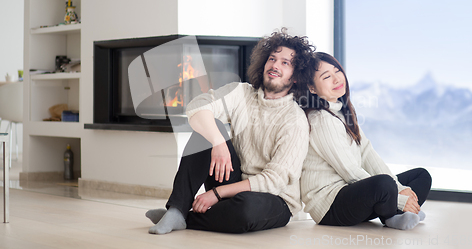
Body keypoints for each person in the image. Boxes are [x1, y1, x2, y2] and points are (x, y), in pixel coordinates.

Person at [146, 28, 315, 234]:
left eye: (285, 63)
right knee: (209, 126)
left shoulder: (295, 120)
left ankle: (185, 217)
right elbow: (197, 107)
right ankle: (176, 210)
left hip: (274, 198)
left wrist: (217, 193)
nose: (275, 65)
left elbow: (274, 181)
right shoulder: (241, 93)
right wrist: (217, 141)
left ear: (296, 77)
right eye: (272, 58)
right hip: (233, 182)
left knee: (245, 209)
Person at [300, 52, 432, 230]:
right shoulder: (321, 120)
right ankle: (394, 214)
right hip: (330, 206)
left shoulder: (342, 113)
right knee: (384, 184)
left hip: (352, 193)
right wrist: (400, 199)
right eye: (326, 76)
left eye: (337, 71)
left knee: (421, 176)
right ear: (312, 88)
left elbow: (367, 153)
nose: (336, 79)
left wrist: (400, 188)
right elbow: (350, 171)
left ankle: (395, 212)